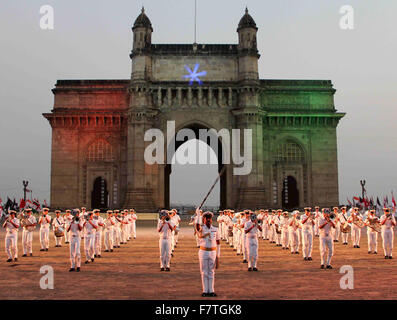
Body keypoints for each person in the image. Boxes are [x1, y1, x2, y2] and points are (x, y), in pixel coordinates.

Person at [197, 211, 220, 297]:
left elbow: (218, 242)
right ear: (204, 220)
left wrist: (218, 255)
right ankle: (205, 290)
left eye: (209, 219)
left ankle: (211, 290)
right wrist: (198, 215)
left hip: (213, 252)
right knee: (204, 272)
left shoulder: (215, 229)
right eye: (207, 219)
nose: (208, 220)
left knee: (211, 272)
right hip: (203, 252)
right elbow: (197, 226)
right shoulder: (202, 229)